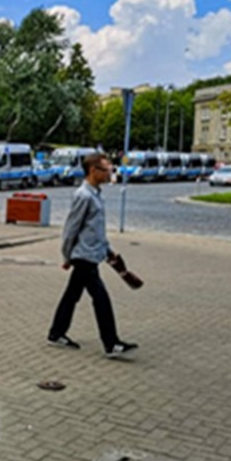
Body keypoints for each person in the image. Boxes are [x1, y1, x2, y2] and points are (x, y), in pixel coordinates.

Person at [47, 152, 139, 358]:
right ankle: (111, 344)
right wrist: (66, 256)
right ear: (93, 171)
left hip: (92, 254)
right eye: (106, 170)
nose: (109, 174)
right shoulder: (83, 196)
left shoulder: (96, 194)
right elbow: (71, 228)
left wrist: (108, 250)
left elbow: (96, 229)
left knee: (72, 295)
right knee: (101, 298)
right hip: (83, 257)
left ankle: (56, 333)